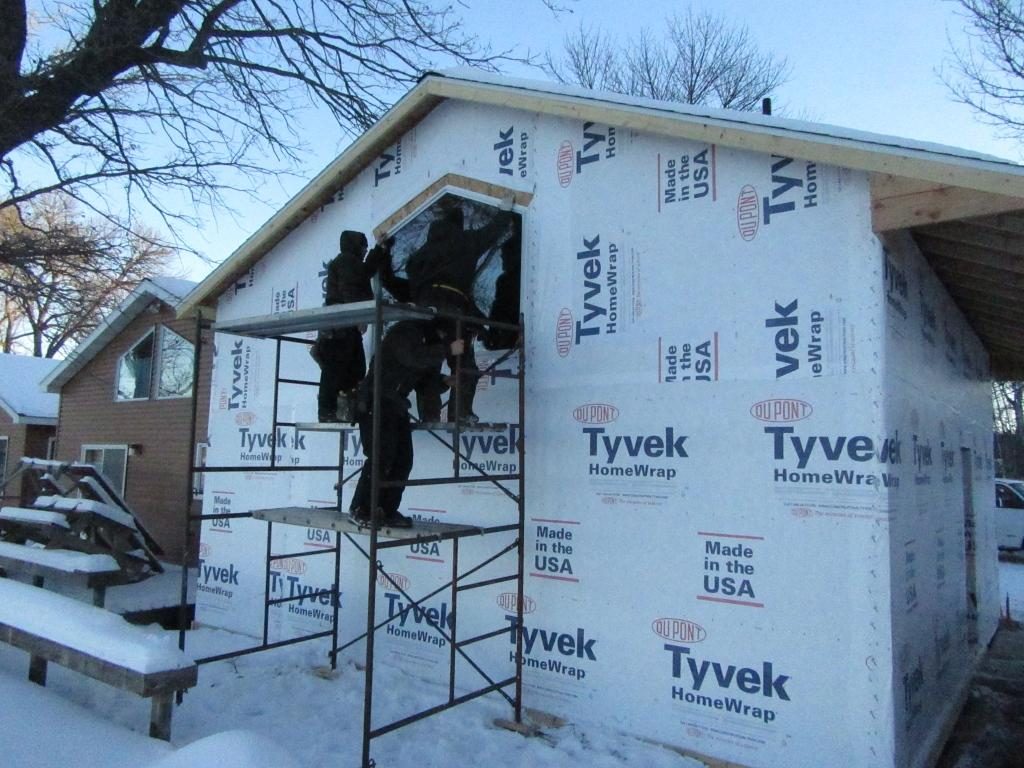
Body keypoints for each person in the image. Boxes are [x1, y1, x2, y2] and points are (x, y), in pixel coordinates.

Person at [380, 203, 514, 423]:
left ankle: (429, 414)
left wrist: (384, 255)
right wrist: (506, 209)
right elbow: (491, 233)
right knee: (464, 364)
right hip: (451, 308)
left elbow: (398, 286)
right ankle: (459, 413)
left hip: (424, 312)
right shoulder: (463, 241)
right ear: (459, 224)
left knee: (430, 361)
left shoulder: (419, 256)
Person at [349, 319, 465, 528]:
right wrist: (447, 349)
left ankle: (385, 510)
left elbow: (423, 379)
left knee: (403, 460)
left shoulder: (427, 346)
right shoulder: (406, 330)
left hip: (396, 404)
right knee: (381, 457)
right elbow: (411, 358)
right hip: (375, 401)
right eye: (443, 337)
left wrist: (443, 382)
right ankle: (361, 508)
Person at [312, 230, 386, 422]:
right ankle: (328, 411)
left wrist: (379, 248)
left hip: (343, 328)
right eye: (364, 247)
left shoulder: (351, 263)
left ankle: (341, 410)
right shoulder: (345, 262)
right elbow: (350, 290)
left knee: (353, 370)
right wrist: (358, 317)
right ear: (355, 246)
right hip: (339, 328)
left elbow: (366, 271)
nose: (365, 250)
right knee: (336, 370)